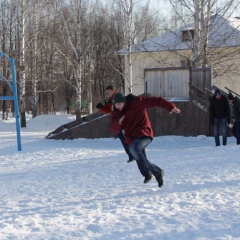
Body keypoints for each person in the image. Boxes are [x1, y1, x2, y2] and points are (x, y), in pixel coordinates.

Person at [110, 93, 181, 188]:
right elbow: (114, 129)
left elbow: (156, 100)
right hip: (132, 137)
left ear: (124, 101)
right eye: (116, 104)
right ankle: (155, 173)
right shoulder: (116, 112)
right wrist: (119, 122)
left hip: (144, 132)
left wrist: (170, 107)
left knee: (134, 149)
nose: (117, 106)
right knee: (140, 157)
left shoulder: (136, 102)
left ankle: (152, 172)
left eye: (119, 104)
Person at [96, 85, 134, 162]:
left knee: (126, 139)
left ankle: (133, 154)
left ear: (113, 91)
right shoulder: (109, 100)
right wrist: (101, 107)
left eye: (108, 92)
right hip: (117, 123)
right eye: (106, 92)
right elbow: (108, 110)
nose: (107, 94)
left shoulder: (118, 97)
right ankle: (131, 154)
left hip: (123, 121)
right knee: (123, 139)